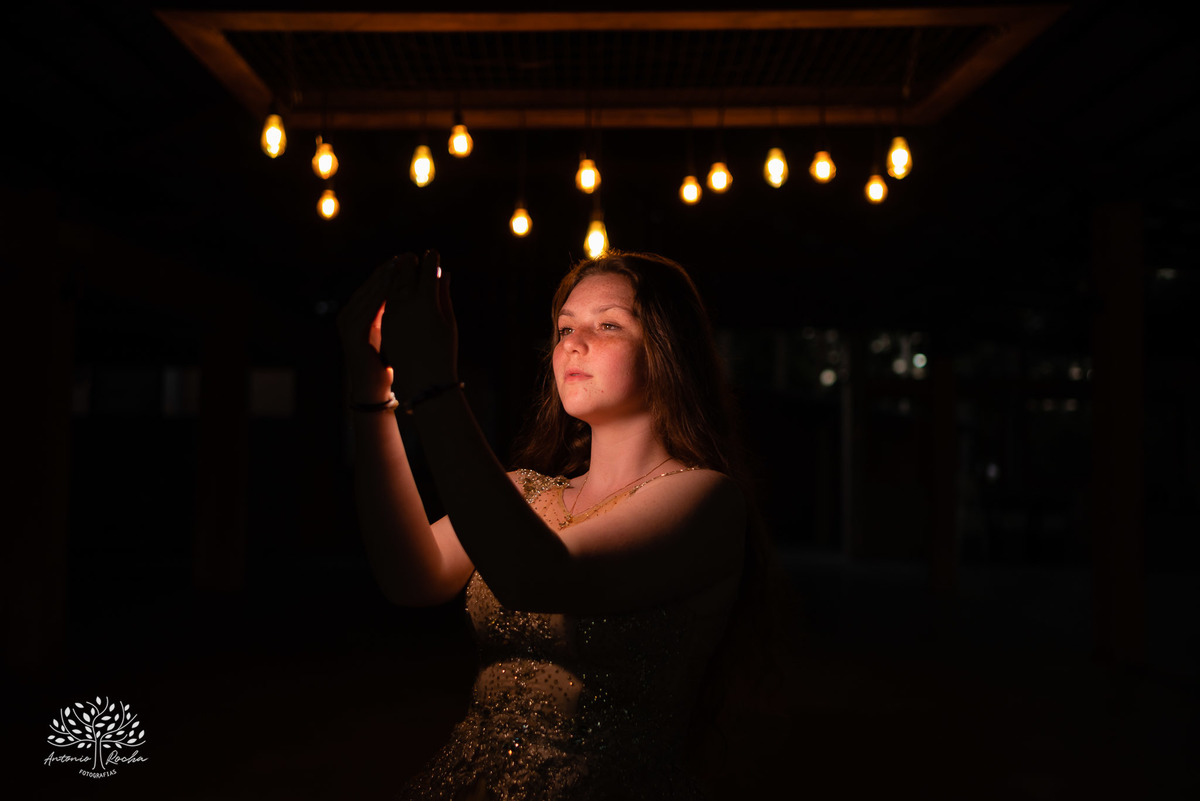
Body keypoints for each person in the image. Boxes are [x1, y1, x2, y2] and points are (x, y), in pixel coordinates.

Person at [338, 249, 767, 800]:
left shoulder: (704, 498)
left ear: (668, 348)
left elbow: (535, 576)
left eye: (608, 324)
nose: (573, 343)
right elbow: (409, 577)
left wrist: (437, 387)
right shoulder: (523, 494)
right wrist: (370, 394)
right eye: (565, 327)